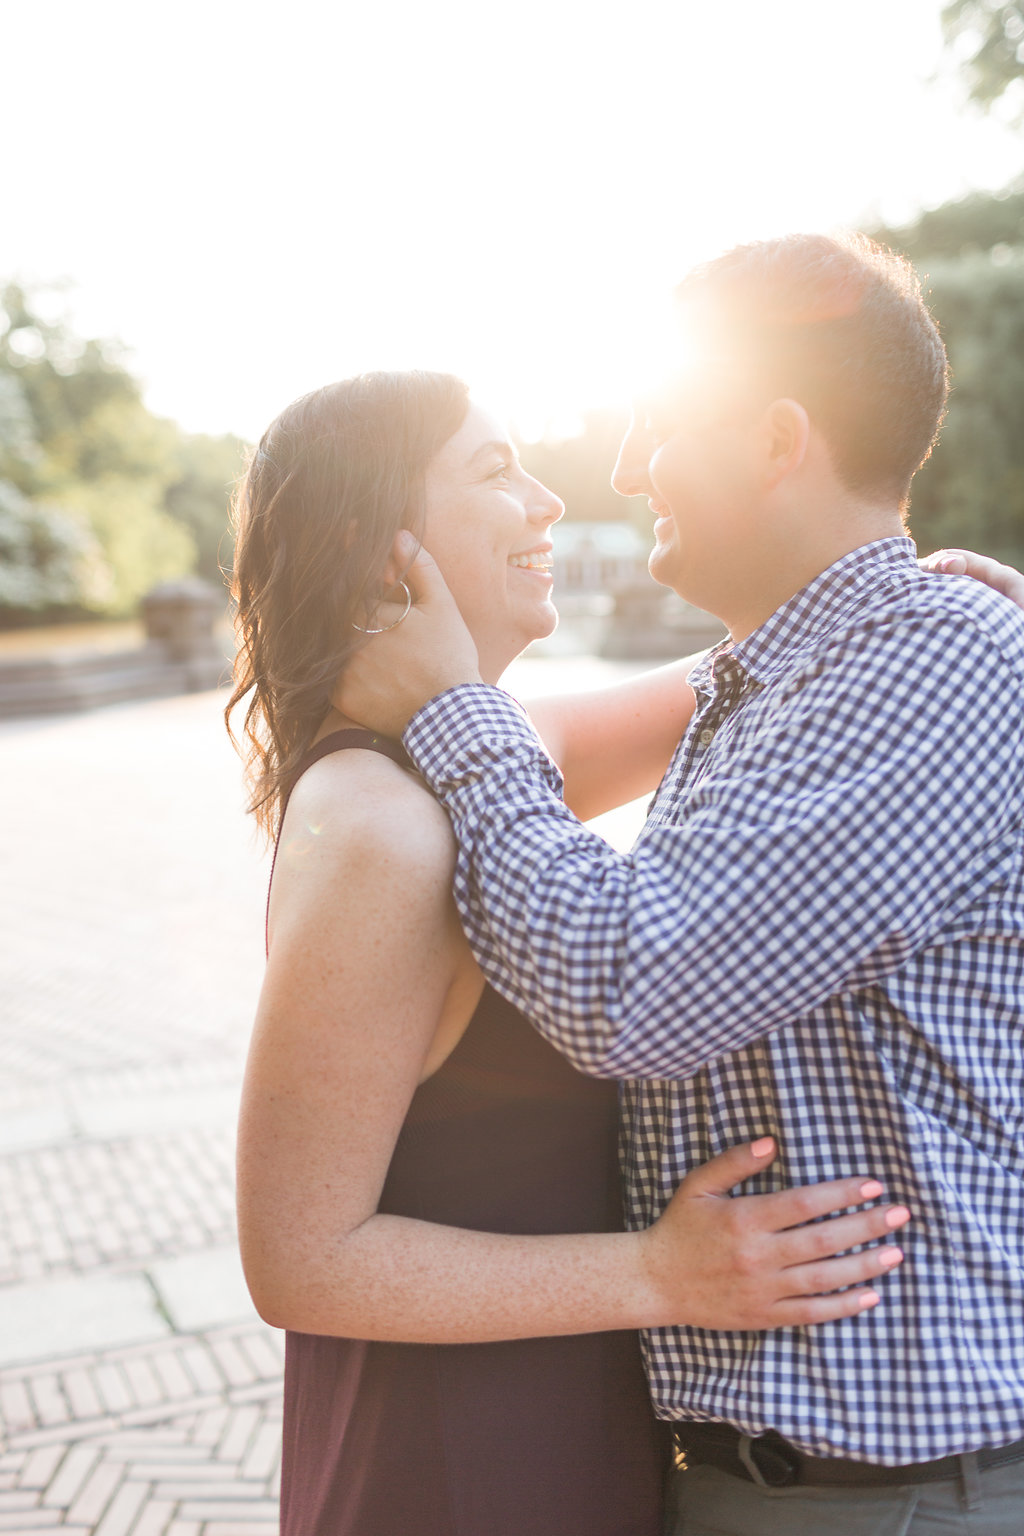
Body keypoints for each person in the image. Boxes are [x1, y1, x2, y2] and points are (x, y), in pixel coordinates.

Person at [335, 236, 1024, 1535]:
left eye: (660, 422)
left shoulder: (932, 666)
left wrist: (450, 708)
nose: (624, 466)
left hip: (896, 1494)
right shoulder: (774, 678)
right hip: (787, 1477)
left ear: (774, 440)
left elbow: (634, 989)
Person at [226, 370, 915, 1536]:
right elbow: (299, 1260)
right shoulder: (381, 825)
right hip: (458, 1465)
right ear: (375, 544)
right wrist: (658, 1274)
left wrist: (923, 593)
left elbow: (737, 675)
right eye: (496, 473)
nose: (550, 502)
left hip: (563, 1421)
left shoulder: (460, 753)